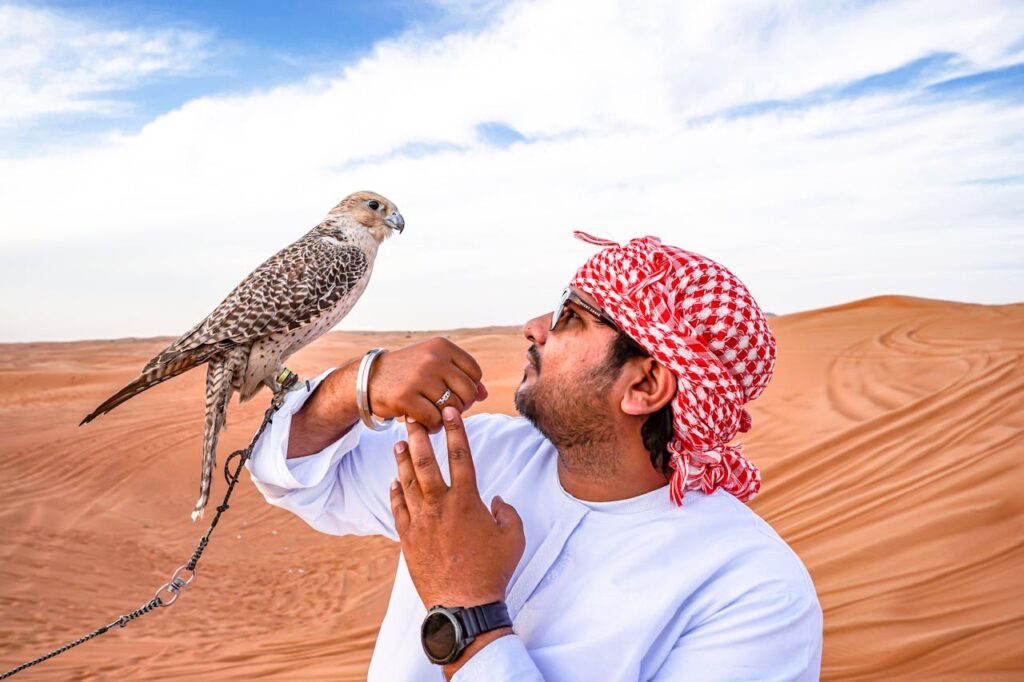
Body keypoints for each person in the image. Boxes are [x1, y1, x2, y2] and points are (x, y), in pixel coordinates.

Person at [247, 232, 823, 681]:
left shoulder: (751, 590)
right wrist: (359, 384)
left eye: (571, 317)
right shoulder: (480, 454)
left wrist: (466, 606)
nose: (534, 327)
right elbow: (295, 474)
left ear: (645, 386)